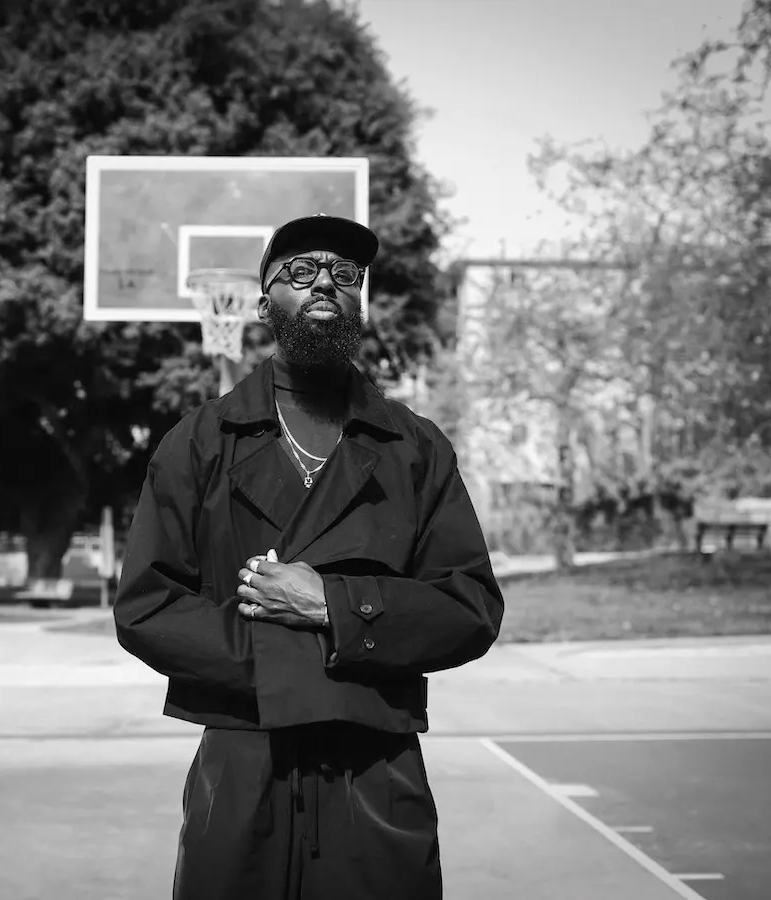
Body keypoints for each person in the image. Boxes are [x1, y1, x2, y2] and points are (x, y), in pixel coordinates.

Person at [114, 214, 504, 900]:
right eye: (299, 271)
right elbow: (148, 605)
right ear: (264, 302)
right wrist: (292, 664)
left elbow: (471, 605)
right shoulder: (200, 442)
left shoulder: (414, 448)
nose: (325, 280)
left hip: (376, 770)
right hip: (242, 763)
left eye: (345, 274)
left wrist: (333, 605)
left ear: (360, 300)